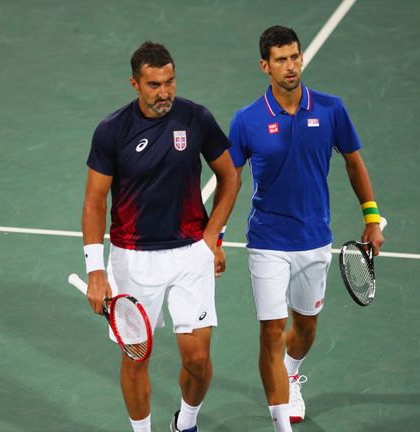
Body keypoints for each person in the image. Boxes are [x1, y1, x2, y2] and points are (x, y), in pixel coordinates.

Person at [227, 26, 385, 431]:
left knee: (306, 327)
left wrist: (371, 217)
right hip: (267, 241)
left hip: (314, 239)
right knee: (271, 330)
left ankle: (290, 370)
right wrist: (216, 235)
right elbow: (230, 180)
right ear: (265, 66)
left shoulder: (331, 110)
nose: (291, 65)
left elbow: (354, 162)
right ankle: (280, 419)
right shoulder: (247, 121)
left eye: (295, 56)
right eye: (281, 59)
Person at [81, 41, 239, 432]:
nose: (164, 93)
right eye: (154, 85)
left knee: (198, 359)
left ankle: (185, 423)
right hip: (132, 258)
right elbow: (95, 200)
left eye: (169, 82)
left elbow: (230, 175)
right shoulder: (111, 131)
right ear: (135, 83)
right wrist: (95, 270)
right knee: (136, 358)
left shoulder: (196, 118)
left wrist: (213, 237)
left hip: (190, 252)